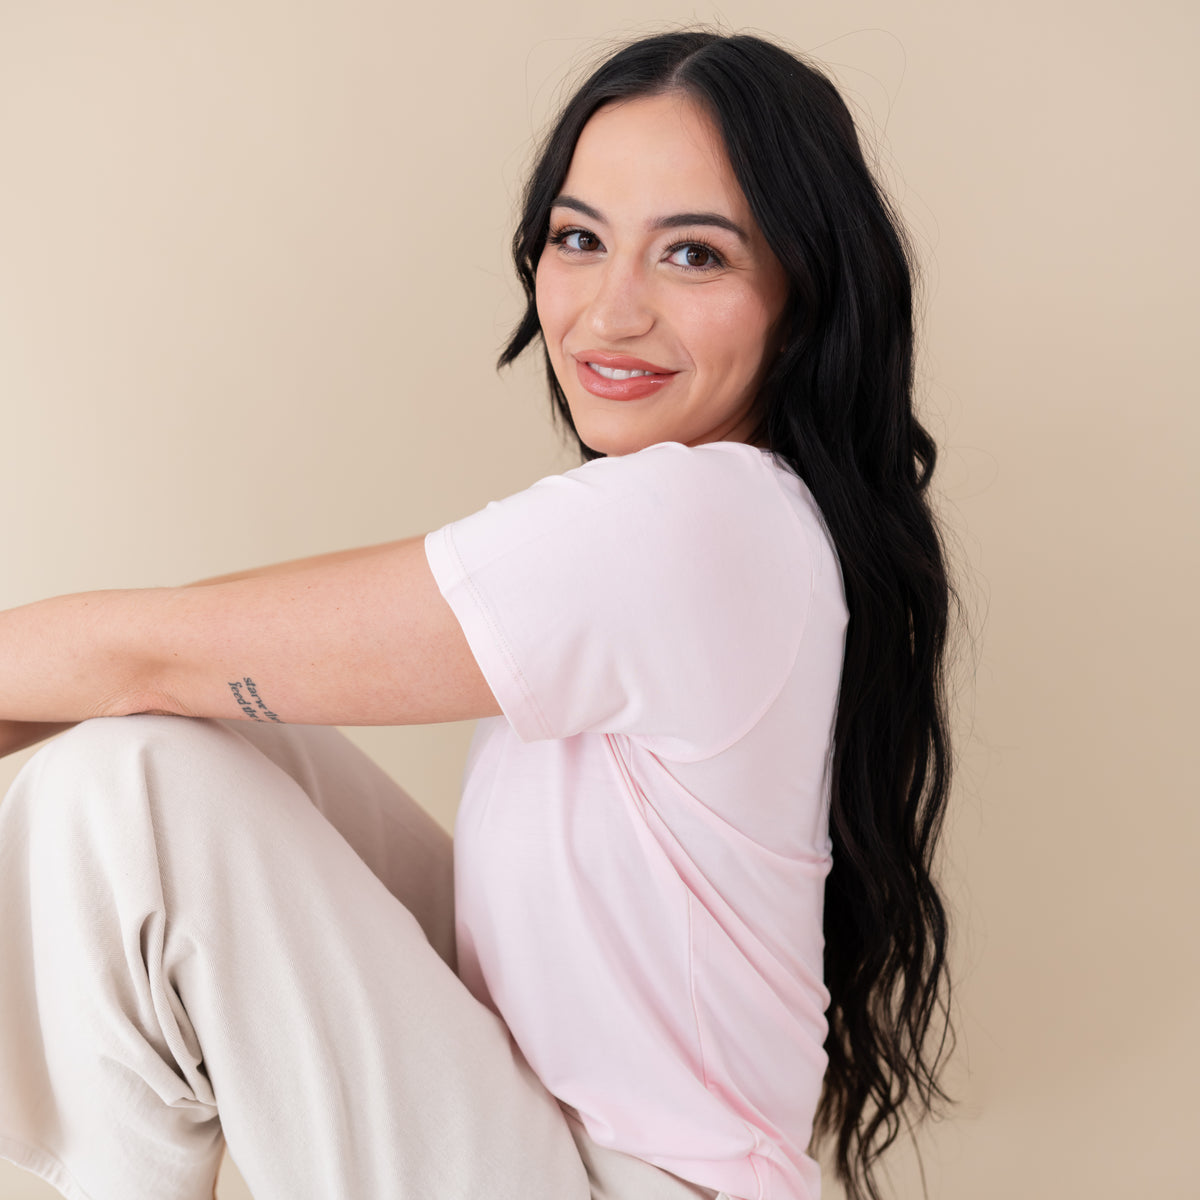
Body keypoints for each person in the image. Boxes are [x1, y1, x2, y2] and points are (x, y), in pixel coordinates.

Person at [0, 28, 955, 1200]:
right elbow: (206, 647)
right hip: (543, 1133)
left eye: (695, 255)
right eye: (579, 239)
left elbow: (157, 652)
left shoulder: (697, 521)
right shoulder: (715, 522)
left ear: (797, 298)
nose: (610, 314)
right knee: (191, 741)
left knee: (128, 788)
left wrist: (92, 687)